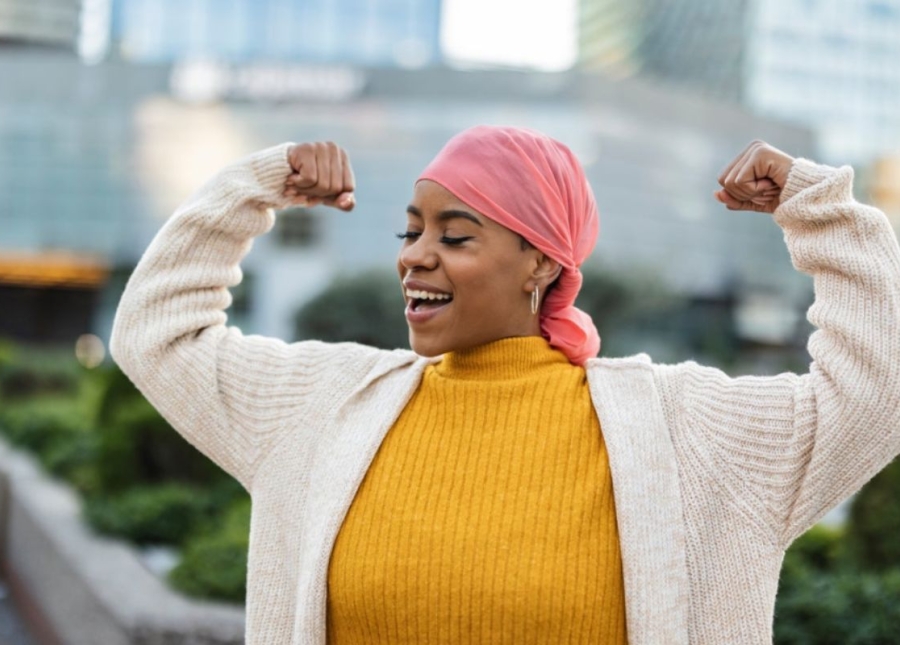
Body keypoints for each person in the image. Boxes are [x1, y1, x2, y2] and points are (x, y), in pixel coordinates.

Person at [109, 125, 900, 645]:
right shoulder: (324, 406)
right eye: (410, 230)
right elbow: (158, 333)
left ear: (543, 263)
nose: (415, 255)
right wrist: (253, 187)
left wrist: (820, 212)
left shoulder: (685, 432)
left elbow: (873, 392)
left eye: (456, 234)